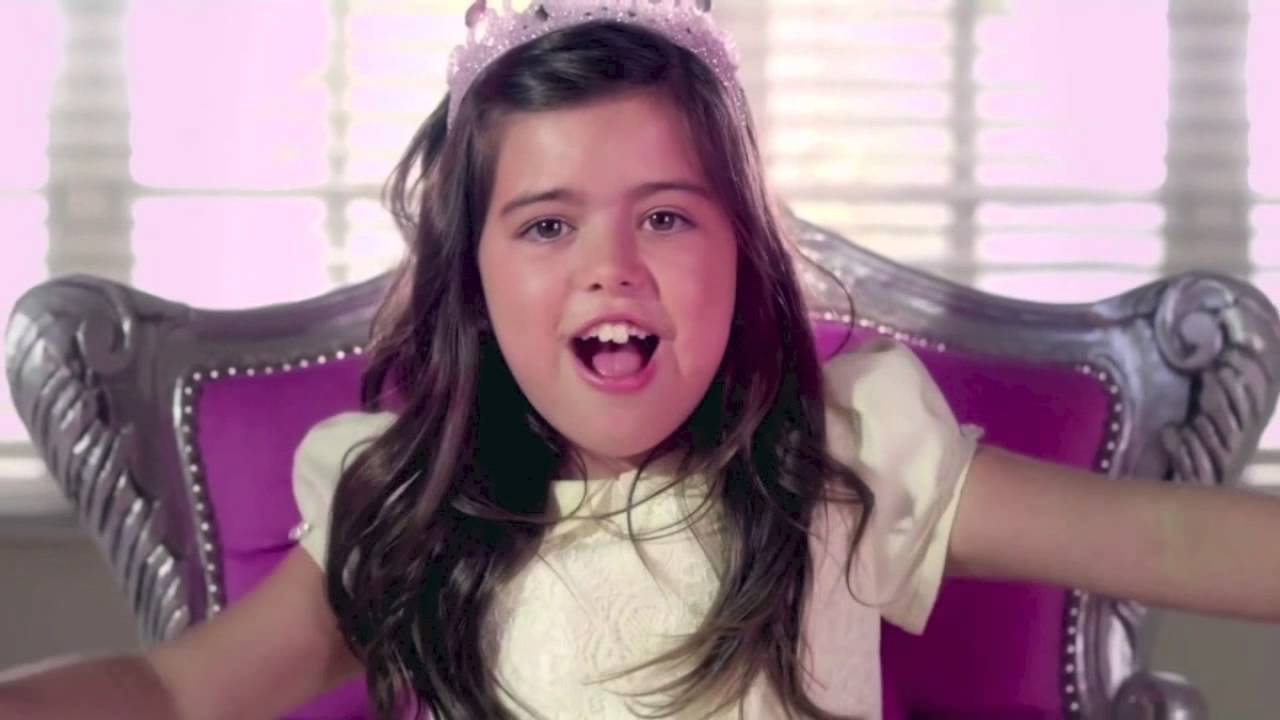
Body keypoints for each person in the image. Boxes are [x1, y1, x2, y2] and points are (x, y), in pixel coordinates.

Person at [2, 1, 1279, 718]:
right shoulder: (406, 510)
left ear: (741, 256)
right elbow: (172, 692)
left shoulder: (843, 458)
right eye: (546, 225)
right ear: (471, 278)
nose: (609, 267)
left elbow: (1179, 542)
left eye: (665, 218)